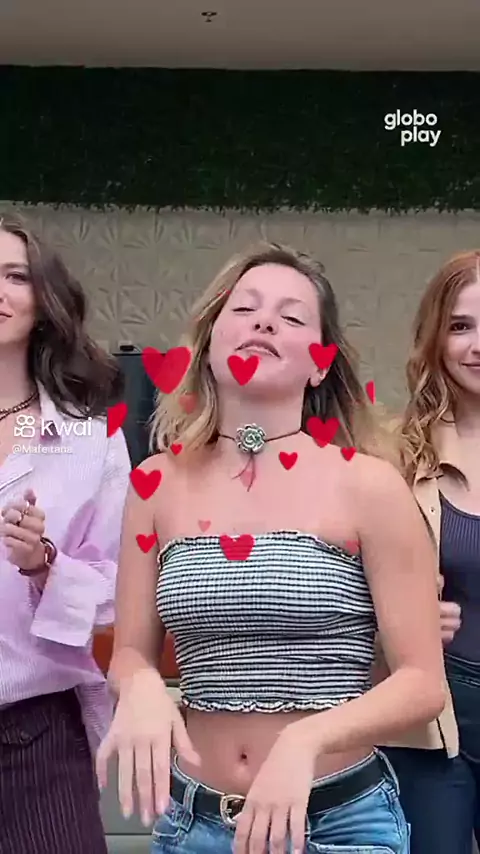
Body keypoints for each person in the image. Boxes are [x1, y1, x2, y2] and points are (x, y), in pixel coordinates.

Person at [97, 242, 446, 854]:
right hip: (194, 823)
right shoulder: (155, 483)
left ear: (320, 363)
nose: (263, 323)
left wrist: (305, 740)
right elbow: (129, 652)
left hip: (338, 823)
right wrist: (142, 686)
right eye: (245, 309)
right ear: (209, 345)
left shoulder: (368, 485)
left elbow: (422, 683)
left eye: (291, 317)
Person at [0, 214, 131, 854]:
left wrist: (44, 564)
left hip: (36, 737)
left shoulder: (90, 438)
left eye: (14, 276)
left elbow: (120, 592)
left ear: (43, 300)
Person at [380, 250, 480, 854]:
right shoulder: (392, 453)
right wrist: (396, 617)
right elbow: (334, 575)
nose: (478, 345)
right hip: (431, 726)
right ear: (435, 337)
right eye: (461, 325)